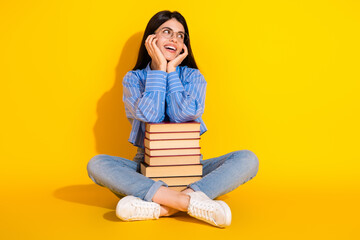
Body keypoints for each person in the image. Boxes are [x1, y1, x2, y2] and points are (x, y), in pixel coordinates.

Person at [87, 10, 259, 228]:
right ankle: (188, 203)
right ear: (151, 39)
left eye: (180, 35)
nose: (174, 39)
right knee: (98, 164)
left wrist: (172, 73)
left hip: (190, 169)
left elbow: (183, 115)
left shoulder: (193, 77)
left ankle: (160, 208)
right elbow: (151, 116)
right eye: (167, 32)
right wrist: (159, 70)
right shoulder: (133, 79)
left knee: (248, 159)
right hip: (147, 170)